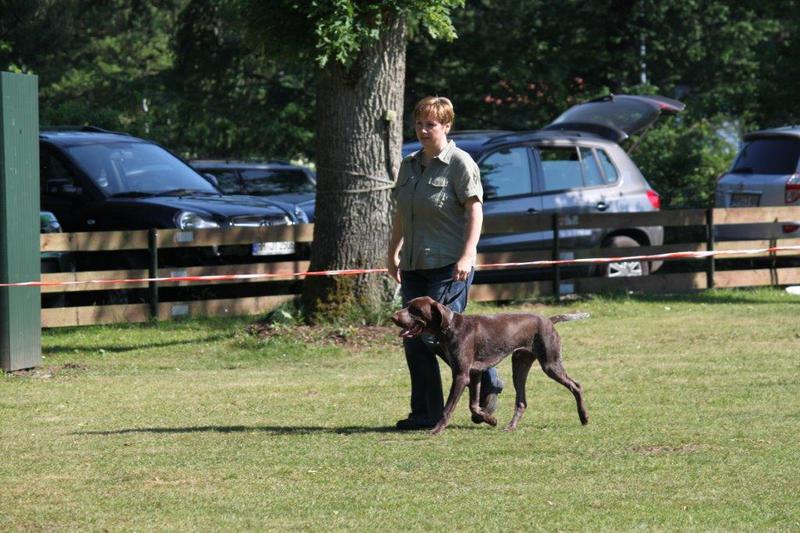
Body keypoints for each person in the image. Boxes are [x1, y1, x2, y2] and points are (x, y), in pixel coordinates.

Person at [387, 96, 503, 430]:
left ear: (447, 126)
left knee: (441, 337)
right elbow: (402, 213)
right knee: (414, 338)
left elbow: (475, 210)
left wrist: (468, 254)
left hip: (449, 266)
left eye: (431, 124)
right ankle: (425, 413)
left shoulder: (460, 163)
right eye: (419, 124)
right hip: (413, 265)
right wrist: (393, 252)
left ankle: (487, 377)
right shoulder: (408, 165)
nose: (423, 130)